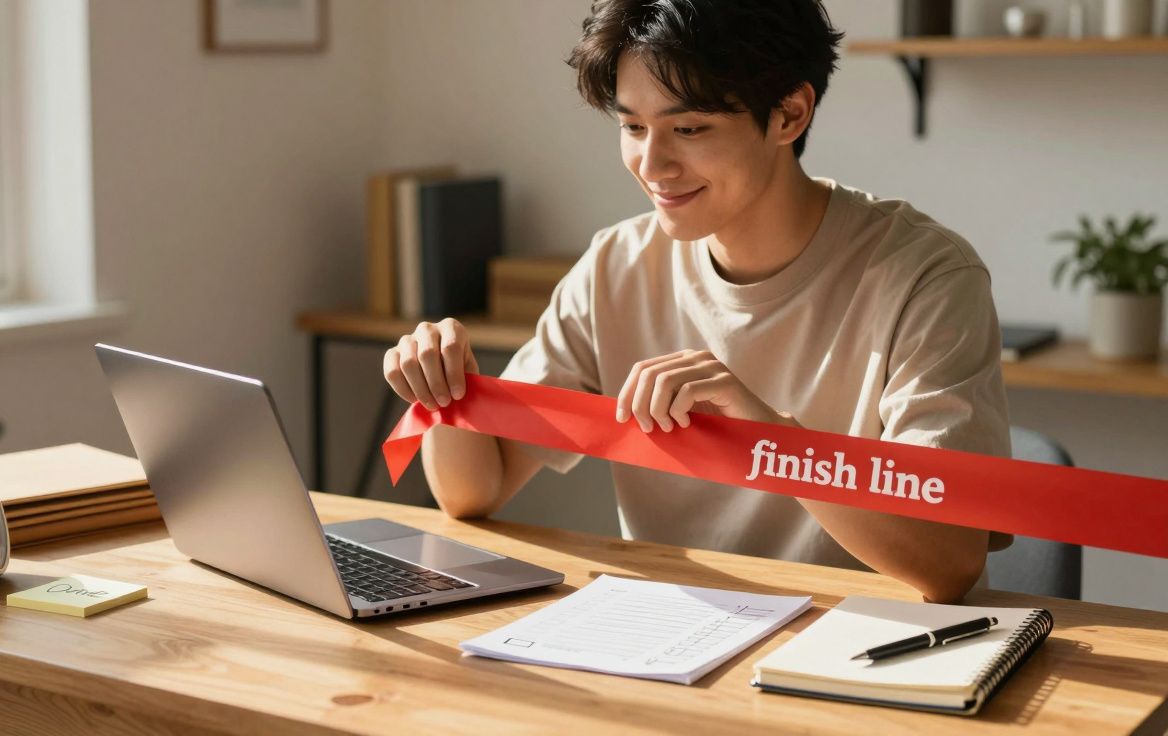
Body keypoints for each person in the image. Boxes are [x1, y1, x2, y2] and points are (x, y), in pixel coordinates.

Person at [381, 0, 1010, 604]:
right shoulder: (616, 266)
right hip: (672, 641)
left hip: (860, 656)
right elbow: (474, 491)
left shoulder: (927, 276)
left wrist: (769, 438)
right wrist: (449, 393)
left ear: (790, 114)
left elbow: (951, 561)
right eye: (632, 127)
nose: (652, 164)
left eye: (688, 128)